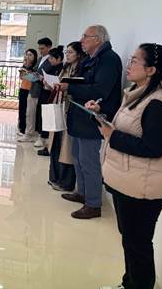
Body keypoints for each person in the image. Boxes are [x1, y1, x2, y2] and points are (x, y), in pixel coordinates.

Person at [88, 44, 162, 289]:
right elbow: (129, 126)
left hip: (144, 186)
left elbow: (154, 147)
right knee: (131, 240)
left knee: (138, 244)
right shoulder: (138, 93)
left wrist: (112, 136)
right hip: (130, 180)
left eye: (134, 61)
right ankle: (128, 283)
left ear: (151, 69)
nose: (128, 66)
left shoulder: (158, 102)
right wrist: (101, 113)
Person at [56, 25, 122, 219]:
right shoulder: (92, 59)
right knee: (77, 156)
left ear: (98, 39)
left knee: (89, 161)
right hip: (80, 115)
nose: (81, 40)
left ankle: (93, 204)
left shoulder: (109, 60)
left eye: (85, 36)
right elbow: (85, 82)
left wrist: (70, 88)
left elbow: (100, 90)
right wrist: (67, 84)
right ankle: (82, 192)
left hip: (91, 118)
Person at [47, 41, 84, 191]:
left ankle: (65, 182)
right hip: (59, 108)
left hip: (69, 110)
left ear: (79, 54)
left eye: (70, 52)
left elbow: (77, 89)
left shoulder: (81, 70)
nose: (67, 55)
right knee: (56, 144)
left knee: (66, 148)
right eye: (66, 52)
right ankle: (54, 177)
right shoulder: (65, 68)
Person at [18, 38, 53, 143]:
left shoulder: (50, 60)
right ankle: (28, 134)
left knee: (39, 115)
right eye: (39, 48)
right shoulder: (40, 59)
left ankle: (39, 136)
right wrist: (28, 74)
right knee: (29, 114)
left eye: (42, 48)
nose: (40, 51)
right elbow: (34, 72)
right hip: (33, 90)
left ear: (49, 47)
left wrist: (37, 77)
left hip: (42, 91)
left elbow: (44, 76)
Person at [36, 45, 65, 156]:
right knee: (44, 118)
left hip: (53, 97)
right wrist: (43, 80)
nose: (50, 60)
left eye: (52, 58)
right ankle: (44, 141)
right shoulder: (50, 67)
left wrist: (49, 84)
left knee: (52, 122)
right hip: (45, 94)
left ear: (59, 59)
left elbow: (59, 85)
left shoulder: (61, 69)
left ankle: (49, 145)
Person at [17, 49, 38, 137]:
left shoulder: (36, 66)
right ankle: (21, 129)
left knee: (28, 111)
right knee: (22, 110)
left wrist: (28, 73)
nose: (28, 57)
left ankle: (28, 130)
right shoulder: (24, 65)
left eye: (30, 55)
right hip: (23, 89)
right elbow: (22, 77)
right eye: (27, 54)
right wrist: (25, 67)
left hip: (31, 90)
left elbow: (34, 78)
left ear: (34, 57)